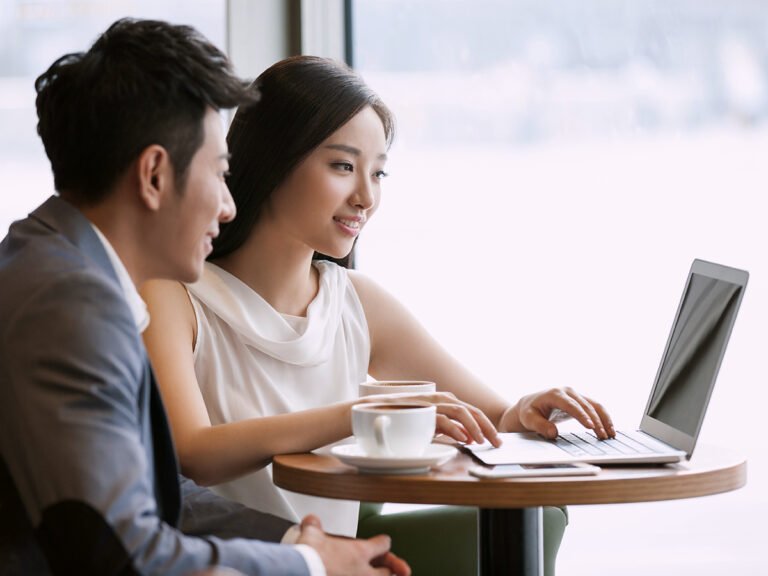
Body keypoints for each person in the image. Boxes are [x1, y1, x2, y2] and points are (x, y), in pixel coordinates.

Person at [141, 55, 614, 574]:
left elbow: (491, 420)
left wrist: (525, 410)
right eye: (343, 166)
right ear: (274, 159)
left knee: (534, 522)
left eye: (378, 172)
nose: (366, 197)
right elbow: (193, 453)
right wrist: (354, 418)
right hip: (231, 566)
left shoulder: (356, 303)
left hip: (344, 566)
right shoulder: (177, 296)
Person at [0, 20, 409, 576]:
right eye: (219, 174)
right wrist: (312, 568)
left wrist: (300, 545)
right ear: (154, 176)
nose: (228, 206)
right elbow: (124, 553)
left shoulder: (52, 265)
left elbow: (161, 497)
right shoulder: (71, 306)